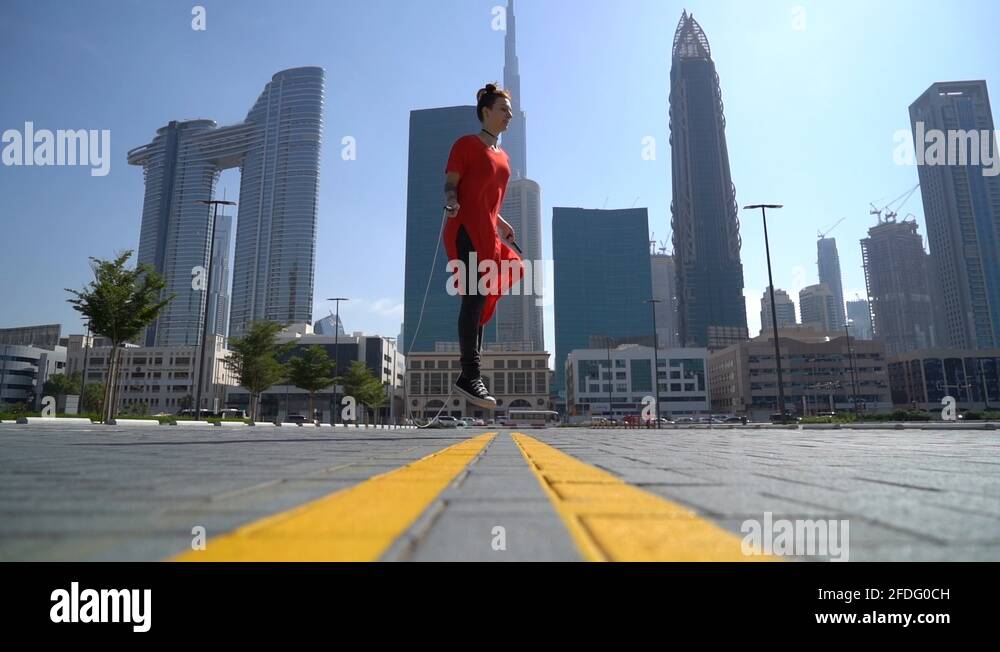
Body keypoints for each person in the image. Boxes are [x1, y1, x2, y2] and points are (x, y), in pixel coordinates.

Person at [442, 82, 522, 408]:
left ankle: (468, 376)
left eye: (511, 112)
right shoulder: (465, 145)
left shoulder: (504, 158)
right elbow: (452, 184)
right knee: (473, 296)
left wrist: (502, 225)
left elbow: (491, 201)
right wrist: (451, 201)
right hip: (464, 228)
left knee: (492, 288)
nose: (509, 116)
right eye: (503, 110)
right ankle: (470, 374)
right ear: (486, 112)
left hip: (488, 233)